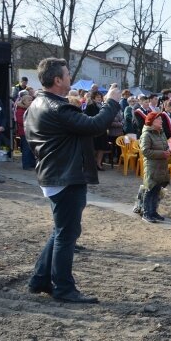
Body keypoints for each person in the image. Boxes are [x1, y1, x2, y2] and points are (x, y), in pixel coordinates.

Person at [25, 58, 121, 303]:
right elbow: (95, 125)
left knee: (61, 231)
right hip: (64, 176)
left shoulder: (37, 103)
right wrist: (111, 101)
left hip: (55, 175)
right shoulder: (58, 108)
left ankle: (40, 279)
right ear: (57, 80)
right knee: (67, 235)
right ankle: (64, 288)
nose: (70, 79)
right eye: (67, 75)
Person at [138, 112, 171, 224]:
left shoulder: (161, 133)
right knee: (150, 189)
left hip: (161, 165)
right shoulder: (146, 135)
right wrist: (162, 153)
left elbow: (165, 145)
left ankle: (153, 212)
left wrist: (167, 150)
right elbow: (145, 151)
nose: (161, 121)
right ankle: (146, 213)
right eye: (159, 119)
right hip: (151, 166)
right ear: (152, 121)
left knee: (157, 189)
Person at [84, 91, 109, 170]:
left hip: (102, 131)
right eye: (97, 97)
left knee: (101, 148)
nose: (99, 98)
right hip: (94, 131)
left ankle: (99, 164)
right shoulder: (90, 106)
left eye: (100, 97)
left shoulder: (103, 106)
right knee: (93, 148)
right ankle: (91, 164)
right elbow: (88, 117)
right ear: (93, 98)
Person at [14, 92, 36, 170]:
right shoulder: (20, 109)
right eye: (29, 100)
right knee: (26, 148)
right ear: (24, 101)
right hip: (24, 131)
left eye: (31, 100)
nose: (31, 102)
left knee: (32, 148)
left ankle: (32, 163)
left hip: (32, 131)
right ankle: (26, 165)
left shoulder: (31, 109)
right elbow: (20, 121)